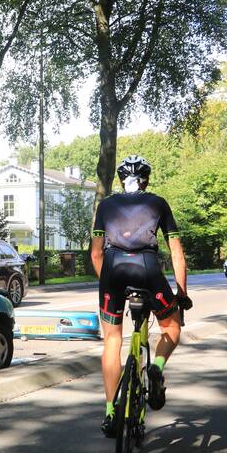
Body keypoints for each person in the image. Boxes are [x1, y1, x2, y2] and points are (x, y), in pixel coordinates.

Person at [91, 155, 190, 437]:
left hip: (113, 270)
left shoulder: (106, 205)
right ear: (147, 178)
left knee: (112, 340)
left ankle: (111, 412)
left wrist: (109, 284)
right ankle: (156, 367)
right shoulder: (158, 203)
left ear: (121, 180)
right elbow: (176, 254)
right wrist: (181, 295)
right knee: (171, 326)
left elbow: (96, 253)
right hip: (147, 269)